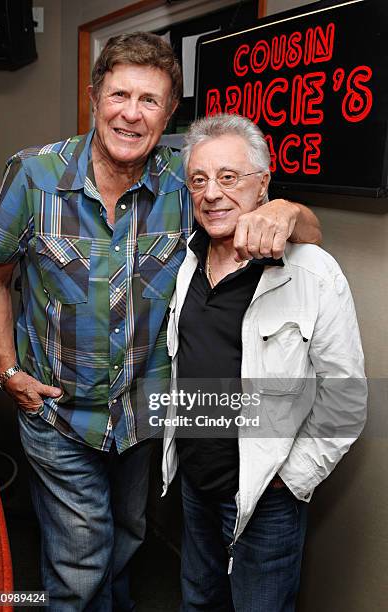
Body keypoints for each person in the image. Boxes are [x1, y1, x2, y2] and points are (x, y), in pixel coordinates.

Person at [0, 33, 320, 611]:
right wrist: (7, 370)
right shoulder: (33, 175)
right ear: (94, 97)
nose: (131, 114)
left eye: (151, 101)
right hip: (57, 414)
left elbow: (300, 229)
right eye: (119, 94)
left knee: (125, 544)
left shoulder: (188, 177)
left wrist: (285, 209)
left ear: (169, 115)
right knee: (81, 560)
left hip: (142, 419)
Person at [161, 114, 367, 612]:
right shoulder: (185, 261)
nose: (212, 193)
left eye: (229, 178)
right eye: (199, 180)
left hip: (263, 498)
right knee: (199, 600)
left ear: (263, 187)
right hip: (195, 482)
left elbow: (345, 397)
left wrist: (289, 478)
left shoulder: (310, 270)